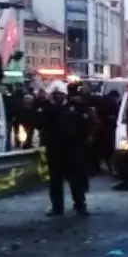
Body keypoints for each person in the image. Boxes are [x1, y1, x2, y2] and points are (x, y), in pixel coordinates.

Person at [36, 82, 90, 216]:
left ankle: (80, 205)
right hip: (54, 149)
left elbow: (84, 125)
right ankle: (57, 207)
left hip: (72, 149)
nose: (57, 97)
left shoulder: (74, 107)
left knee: (75, 180)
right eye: (55, 95)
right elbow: (39, 123)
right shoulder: (48, 108)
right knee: (55, 180)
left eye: (59, 94)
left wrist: (80, 142)